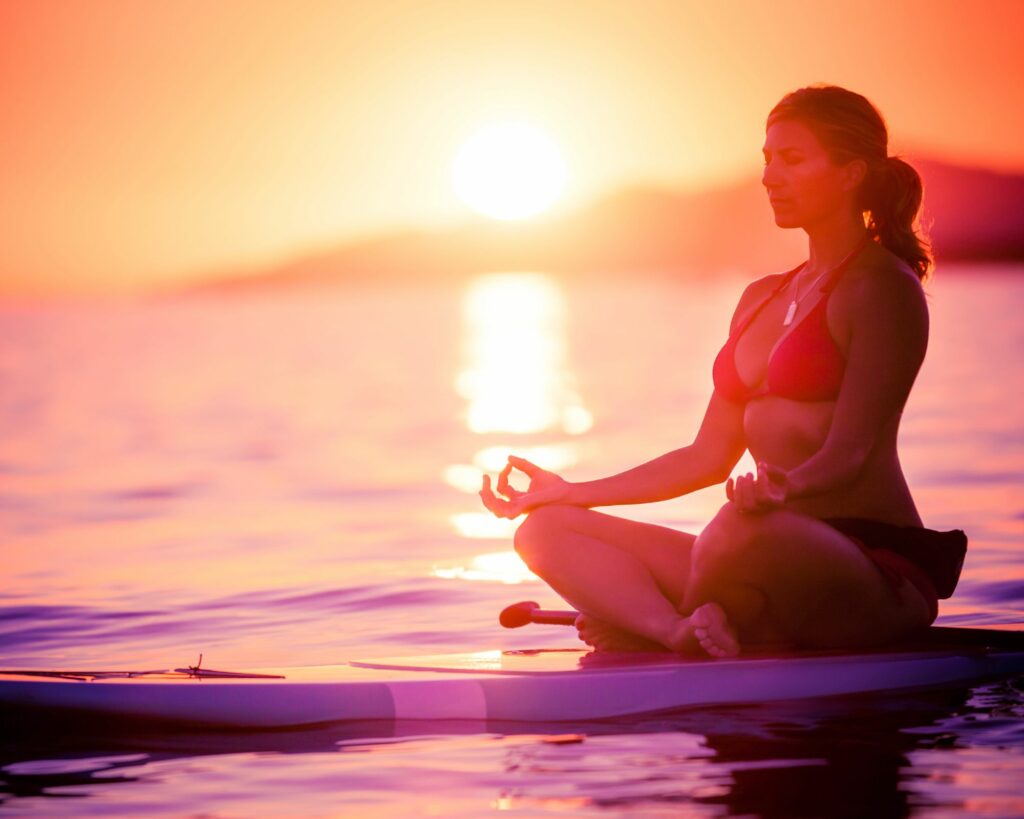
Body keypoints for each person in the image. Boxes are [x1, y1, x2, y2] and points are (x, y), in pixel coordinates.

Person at [478, 84, 967, 659]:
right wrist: (571, 492)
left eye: (791, 159)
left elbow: (850, 453)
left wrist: (784, 488)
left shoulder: (882, 287)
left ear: (849, 173)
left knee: (737, 529)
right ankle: (672, 631)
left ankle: (646, 620)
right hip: (752, 547)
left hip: (868, 567)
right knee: (545, 530)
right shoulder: (760, 298)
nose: (768, 177)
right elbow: (705, 458)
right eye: (766, 159)